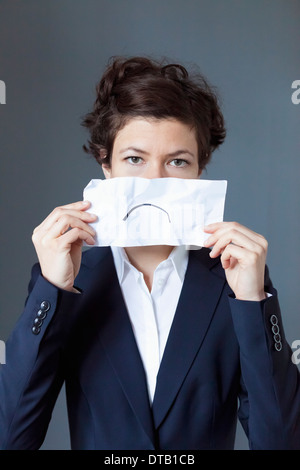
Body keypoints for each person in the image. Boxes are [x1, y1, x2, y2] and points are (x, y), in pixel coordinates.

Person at [0, 56, 299, 450]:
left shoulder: (234, 279)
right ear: (105, 165)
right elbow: (11, 438)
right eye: (135, 159)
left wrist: (252, 301)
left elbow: (280, 441)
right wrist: (52, 289)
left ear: (199, 170)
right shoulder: (72, 278)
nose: (155, 180)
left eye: (177, 161)